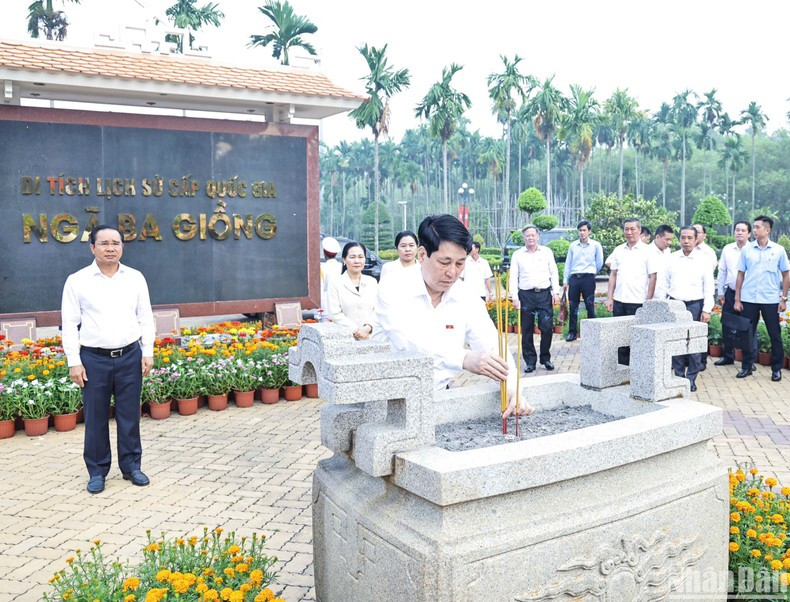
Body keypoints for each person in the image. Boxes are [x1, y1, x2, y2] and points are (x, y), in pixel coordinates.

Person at [375, 214, 531, 418]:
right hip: (387, 398)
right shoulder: (393, 286)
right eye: (444, 262)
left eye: (459, 264)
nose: (452, 272)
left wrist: (512, 387)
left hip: (437, 397)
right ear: (422, 255)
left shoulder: (466, 295)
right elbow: (408, 343)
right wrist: (463, 357)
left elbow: (491, 343)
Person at [61, 225, 155, 494]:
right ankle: (97, 471)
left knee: (129, 416)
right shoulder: (77, 281)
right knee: (95, 418)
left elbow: (145, 316)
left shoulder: (135, 278)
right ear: (92, 247)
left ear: (122, 247)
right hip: (93, 360)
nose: (110, 247)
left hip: (130, 356)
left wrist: (147, 351)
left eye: (116, 242)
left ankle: (131, 467)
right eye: (104, 243)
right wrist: (73, 361)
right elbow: (69, 324)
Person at [734, 215, 790, 381]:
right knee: (747, 334)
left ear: (768, 230)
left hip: (770, 299)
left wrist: (784, 298)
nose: (755, 230)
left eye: (758, 227)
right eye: (755, 227)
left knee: (775, 334)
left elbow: (786, 274)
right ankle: (746, 366)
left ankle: (776, 369)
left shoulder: (778, 250)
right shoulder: (747, 250)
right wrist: (737, 298)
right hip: (749, 298)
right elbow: (740, 274)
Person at [663, 226, 714, 392]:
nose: (686, 241)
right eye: (683, 237)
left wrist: (707, 309)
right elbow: (664, 284)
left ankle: (691, 378)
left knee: (694, 343)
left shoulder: (703, 260)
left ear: (696, 239)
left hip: (695, 305)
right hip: (675, 304)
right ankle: (679, 376)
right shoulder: (671, 258)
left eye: (689, 238)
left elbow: (709, 288)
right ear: (679, 239)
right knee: (676, 342)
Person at [605, 218, 658, 365]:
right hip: (620, 301)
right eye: (626, 229)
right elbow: (613, 275)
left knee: (637, 340)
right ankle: (622, 372)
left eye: (632, 229)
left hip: (638, 303)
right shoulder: (618, 250)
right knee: (620, 339)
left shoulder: (648, 251)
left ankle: (637, 372)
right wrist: (610, 298)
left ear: (639, 231)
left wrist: (648, 302)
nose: (629, 232)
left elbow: (653, 277)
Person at [509, 224, 560, 372]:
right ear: (523, 237)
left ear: (538, 236)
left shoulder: (546, 252)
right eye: (527, 235)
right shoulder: (518, 255)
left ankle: (546, 358)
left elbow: (554, 272)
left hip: (544, 294)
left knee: (546, 328)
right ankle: (530, 361)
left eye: (533, 235)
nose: (530, 237)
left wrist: (555, 292)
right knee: (526, 329)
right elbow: (513, 277)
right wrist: (514, 297)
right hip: (526, 296)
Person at [715, 221, 753, 366]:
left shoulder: (753, 249)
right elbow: (722, 271)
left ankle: (748, 360)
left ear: (749, 233)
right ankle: (728, 356)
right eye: (737, 230)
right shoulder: (727, 249)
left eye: (743, 230)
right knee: (727, 325)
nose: (739, 232)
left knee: (748, 327)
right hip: (730, 293)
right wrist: (720, 292)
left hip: (748, 294)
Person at [328, 241, 378, 341]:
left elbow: (378, 310)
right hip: (346, 339)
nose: (357, 261)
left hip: (371, 337)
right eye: (352, 257)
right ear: (344, 260)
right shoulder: (335, 283)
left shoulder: (372, 282)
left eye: (360, 257)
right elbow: (335, 314)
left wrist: (368, 327)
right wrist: (356, 331)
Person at [562, 220, 603, 342]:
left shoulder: (595, 245)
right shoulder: (573, 246)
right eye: (580, 230)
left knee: (589, 305)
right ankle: (572, 332)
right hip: (575, 278)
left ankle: (592, 332)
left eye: (584, 230)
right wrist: (565, 280)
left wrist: (592, 273)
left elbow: (599, 262)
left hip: (588, 278)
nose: (582, 233)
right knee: (573, 306)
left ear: (589, 231)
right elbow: (568, 263)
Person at [646, 224, 675, 301]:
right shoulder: (647, 252)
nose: (669, 242)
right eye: (667, 239)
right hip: (649, 299)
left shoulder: (668, 252)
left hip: (665, 298)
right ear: (658, 237)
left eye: (671, 240)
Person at [319, 236, 342, 323]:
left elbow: (321, 289)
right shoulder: (343, 267)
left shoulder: (322, 268)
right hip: (340, 304)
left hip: (326, 305)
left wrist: (319, 310)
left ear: (324, 253)